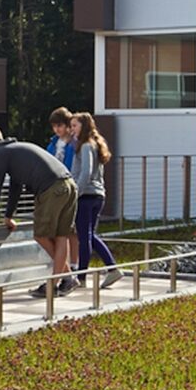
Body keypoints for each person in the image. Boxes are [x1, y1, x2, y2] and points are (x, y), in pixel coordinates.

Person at [0, 125, 80, 293]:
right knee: (61, 236)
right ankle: (67, 280)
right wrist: (8, 216)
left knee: (41, 235)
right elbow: (15, 186)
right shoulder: (15, 150)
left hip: (51, 189)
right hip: (69, 184)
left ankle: (55, 283)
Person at [72, 113, 116, 272]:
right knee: (89, 235)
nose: (72, 130)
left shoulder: (86, 146)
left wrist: (76, 193)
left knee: (84, 237)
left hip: (86, 196)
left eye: (75, 126)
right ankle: (112, 268)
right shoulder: (96, 144)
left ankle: (82, 274)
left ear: (83, 126)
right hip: (98, 195)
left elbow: (86, 172)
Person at [46, 107, 77, 171]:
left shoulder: (74, 143)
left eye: (59, 125)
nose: (56, 129)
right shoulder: (52, 144)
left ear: (68, 125)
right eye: (54, 126)